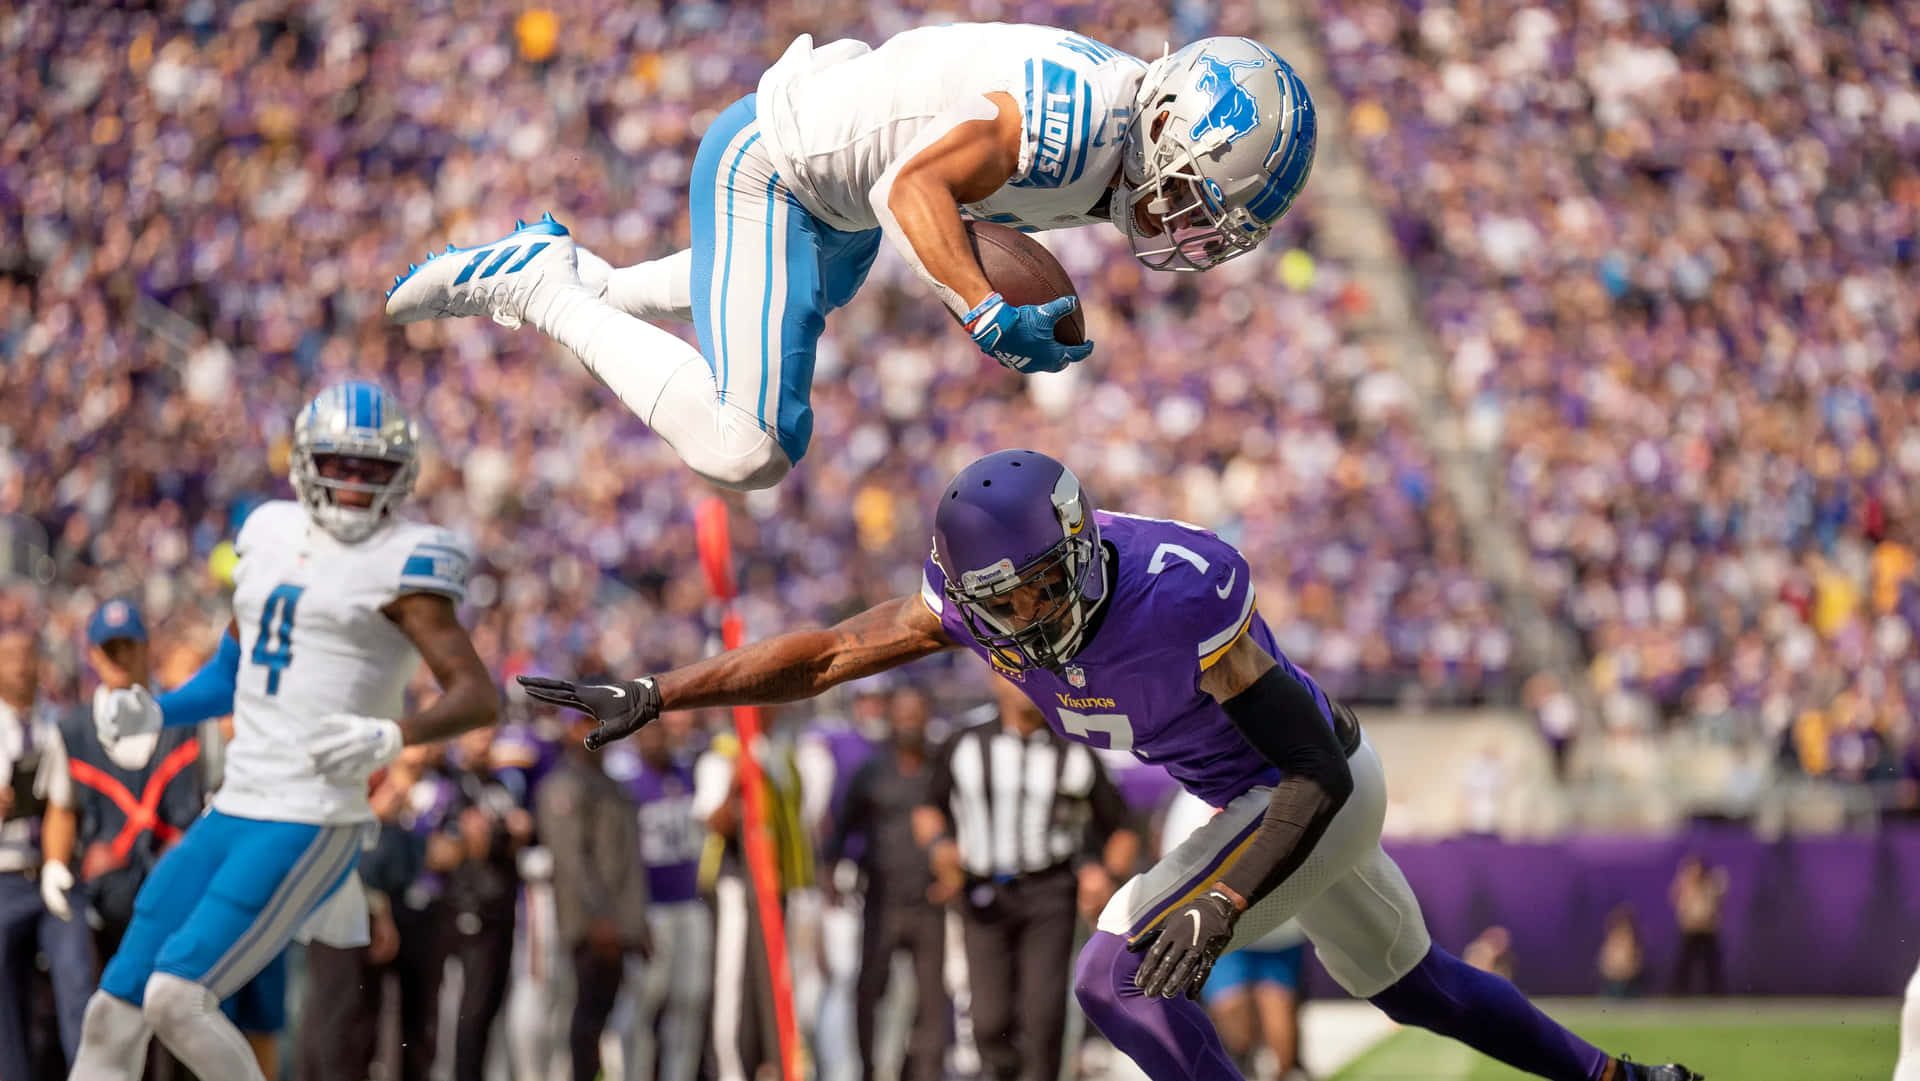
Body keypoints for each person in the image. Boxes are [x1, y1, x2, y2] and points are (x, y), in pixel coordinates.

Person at [519, 449, 1702, 1081]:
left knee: (1111, 979)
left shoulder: (1182, 586)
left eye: (1045, 581)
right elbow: (828, 652)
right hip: (1246, 801)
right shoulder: (968, 610)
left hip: (1309, 789)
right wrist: (660, 688)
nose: (1032, 610)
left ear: (1085, 546)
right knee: (1417, 986)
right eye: (1008, 596)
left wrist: (1229, 892)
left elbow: (1310, 775)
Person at [385, 27, 1317, 492]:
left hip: (837, 179)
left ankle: (583, 278)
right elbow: (911, 192)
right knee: (747, 445)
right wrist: (987, 312)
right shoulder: (1074, 126)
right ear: (1165, 121)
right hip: (781, 168)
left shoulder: (1116, 130)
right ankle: (543, 287)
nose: (1188, 223)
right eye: (1195, 192)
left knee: (791, 289)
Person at [70, 380, 500, 1081]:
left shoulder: (407, 561)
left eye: (373, 469)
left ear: (402, 474)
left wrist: (394, 734)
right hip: (235, 804)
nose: (356, 485)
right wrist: (157, 708)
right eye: (341, 464)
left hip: (311, 814)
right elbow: (229, 673)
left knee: (177, 998)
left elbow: (479, 696)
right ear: (305, 462)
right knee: (109, 1012)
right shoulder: (268, 534)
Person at [68, 601, 284, 1080]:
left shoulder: (205, 723)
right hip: (135, 893)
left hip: (233, 869)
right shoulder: (80, 726)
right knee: (124, 1010)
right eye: (111, 648)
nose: (122, 657)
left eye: (131, 646)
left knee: (222, 1012)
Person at [823, 685, 949, 1081]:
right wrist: (830, 876)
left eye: (916, 713)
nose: (909, 721)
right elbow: (840, 831)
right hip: (881, 900)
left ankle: (924, 1073)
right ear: (891, 718)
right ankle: (869, 1069)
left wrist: (953, 874)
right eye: (902, 713)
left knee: (931, 1000)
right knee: (870, 990)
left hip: (931, 903)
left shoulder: (940, 770)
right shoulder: (870, 772)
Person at [535, 703, 652, 1081]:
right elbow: (572, 861)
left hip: (618, 924)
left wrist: (635, 921)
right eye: (585, 723)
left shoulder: (612, 784)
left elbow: (628, 863)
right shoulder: (563, 784)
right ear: (568, 731)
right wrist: (600, 918)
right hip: (589, 926)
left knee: (613, 1020)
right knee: (582, 1021)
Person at [1160, 789, 1307, 1081]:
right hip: (1224, 930)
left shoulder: (1285, 786)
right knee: (1235, 1024)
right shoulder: (1194, 801)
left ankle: (1281, 1069)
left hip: (1275, 924)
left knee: (1280, 1036)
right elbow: (1175, 861)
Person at [0, 627, 90, 1080]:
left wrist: (55, 863)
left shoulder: (54, 725)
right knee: (6, 1008)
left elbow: (61, 805)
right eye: (10, 655)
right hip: (2, 876)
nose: (20, 665)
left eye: (27, 654)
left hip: (47, 872)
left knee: (78, 980)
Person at [605, 717, 711, 1081]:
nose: (653, 739)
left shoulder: (686, 771)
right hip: (649, 908)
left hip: (688, 902)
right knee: (642, 1004)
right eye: (645, 732)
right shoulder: (625, 781)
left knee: (690, 999)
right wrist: (630, 913)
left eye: (659, 731)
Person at [1668, 854, 1727, 995]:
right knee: (1684, 965)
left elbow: (1716, 904)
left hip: (1707, 931)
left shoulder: (1710, 885)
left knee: (1711, 965)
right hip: (1690, 930)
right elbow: (1678, 902)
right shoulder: (1687, 886)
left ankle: (1716, 992)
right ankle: (1678, 993)